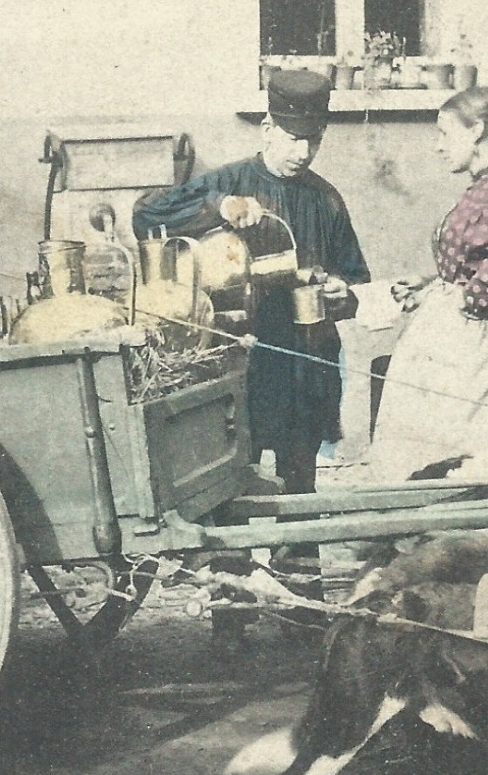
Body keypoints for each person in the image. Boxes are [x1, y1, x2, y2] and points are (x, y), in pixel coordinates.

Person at [133, 70, 368, 495]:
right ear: (267, 130)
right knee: (235, 478)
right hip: (243, 360)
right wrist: (217, 206)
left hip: (306, 364)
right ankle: (239, 564)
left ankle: (297, 560)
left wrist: (341, 291)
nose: (304, 151)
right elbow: (146, 214)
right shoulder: (230, 182)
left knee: (300, 480)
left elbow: (354, 278)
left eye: (313, 140)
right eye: (293, 138)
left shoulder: (327, 200)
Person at [367, 86, 488, 481]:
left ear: (475, 132)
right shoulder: (484, 185)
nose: (438, 146)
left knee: (474, 457)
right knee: (431, 445)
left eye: (445, 133)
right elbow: (478, 256)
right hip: (459, 339)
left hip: (482, 345)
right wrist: (430, 284)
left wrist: (472, 296)